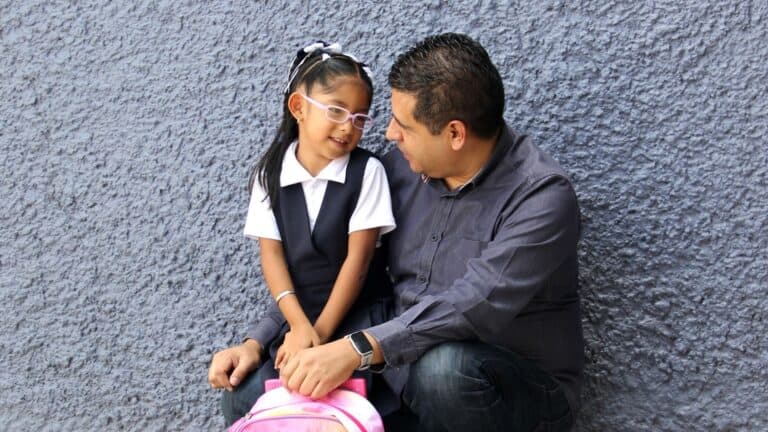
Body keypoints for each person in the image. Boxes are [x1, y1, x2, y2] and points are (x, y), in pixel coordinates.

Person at [275, 33, 584, 432]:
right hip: (400, 374)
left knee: (444, 371)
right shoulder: (397, 170)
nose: (388, 133)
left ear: (455, 134)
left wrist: (356, 350)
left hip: (505, 390)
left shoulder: (541, 197)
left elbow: (474, 304)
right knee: (256, 388)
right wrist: (262, 336)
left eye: (404, 125)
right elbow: (332, 263)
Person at [207, 41, 396, 426]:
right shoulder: (270, 176)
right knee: (274, 403)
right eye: (337, 110)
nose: (349, 126)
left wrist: (319, 335)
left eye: (360, 117)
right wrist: (297, 327)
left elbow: (357, 264)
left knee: (336, 407)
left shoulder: (367, 173)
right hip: (299, 319)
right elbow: (272, 257)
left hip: (357, 317)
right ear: (299, 108)